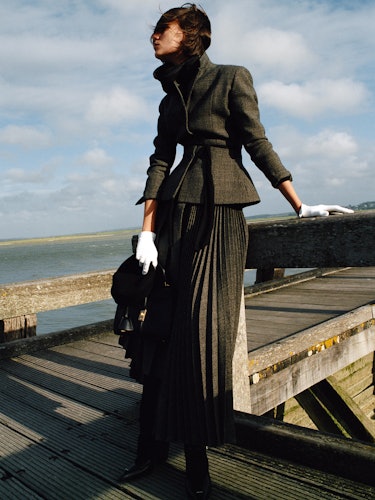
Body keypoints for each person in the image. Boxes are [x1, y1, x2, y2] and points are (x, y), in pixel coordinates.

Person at [118, 4, 353, 498]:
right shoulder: (169, 95)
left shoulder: (231, 77)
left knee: (203, 336)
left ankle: (198, 461)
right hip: (175, 215)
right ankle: (151, 444)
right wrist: (145, 231)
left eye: (164, 28)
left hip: (222, 212)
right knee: (162, 328)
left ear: (192, 36)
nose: (154, 35)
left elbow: (257, 141)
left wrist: (298, 203)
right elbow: (160, 161)